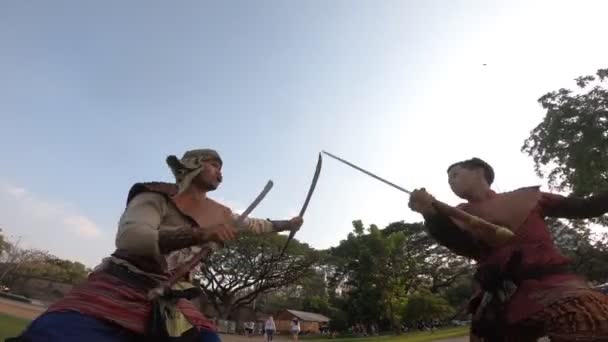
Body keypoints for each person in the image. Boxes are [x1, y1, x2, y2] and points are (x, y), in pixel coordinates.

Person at [10, 149, 303, 342]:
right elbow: (131, 238)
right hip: (121, 282)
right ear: (193, 165)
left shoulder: (222, 213)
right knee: (55, 334)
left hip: (172, 299)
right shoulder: (154, 196)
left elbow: (257, 225)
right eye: (214, 164)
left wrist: (287, 225)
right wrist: (200, 235)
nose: (220, 171)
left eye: (221, 167)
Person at [408, 157, 608, 341]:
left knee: (588, 320)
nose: (450, 182)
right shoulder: (458, 215)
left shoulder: (529, 197)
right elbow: (462, 245)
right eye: (448, 179)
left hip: (553, 282)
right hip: (500, 293)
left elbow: (585, 207)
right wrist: (430, 214)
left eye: (455, 175)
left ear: (479, 171)